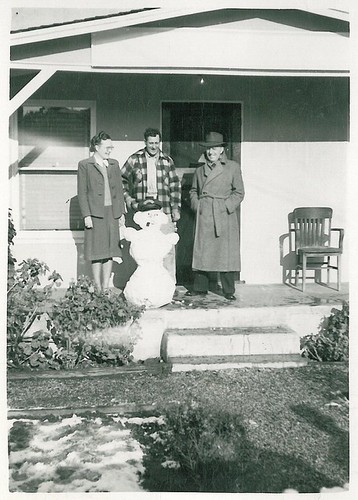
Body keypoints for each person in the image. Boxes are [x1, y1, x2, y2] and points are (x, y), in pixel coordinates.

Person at [186, 131, 245, 300]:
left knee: (225, 253)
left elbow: (239, 193)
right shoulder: (199, 170)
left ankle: (228, 290)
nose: (210, 152)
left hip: (223, 216)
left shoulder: (233, 167)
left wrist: (225, 207)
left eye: (214, 148)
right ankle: (200, 288)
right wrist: (198, 206)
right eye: (208, 149)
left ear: (221, 150)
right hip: (205, 213)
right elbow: (193, 191)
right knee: (203, 250)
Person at [121, 127, 181, 280]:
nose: (154, 146)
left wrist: (175, 208)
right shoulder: (134, 159)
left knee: (167, 248)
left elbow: (175, 186)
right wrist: (130, 200)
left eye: (156, 143)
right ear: (145, 142)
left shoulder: (167, 161)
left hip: (163, 209)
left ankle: (168, 286)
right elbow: (121, 182)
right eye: (151, 143)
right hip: (142, 211)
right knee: (141, 249)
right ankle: (140, 286)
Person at [77, 131, 125, 291]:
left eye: (111, 147)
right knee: (97, 251)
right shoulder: (85, 165)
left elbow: (119, 189)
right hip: (95, 214)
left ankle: (105, 287)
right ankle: (97, 286)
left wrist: (121, 213)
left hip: (112, 213)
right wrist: (86, 215)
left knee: (110, 250)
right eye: (107, 147)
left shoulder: (114, 164)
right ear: (97, 147)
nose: (109, 150)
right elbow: (82, 192)